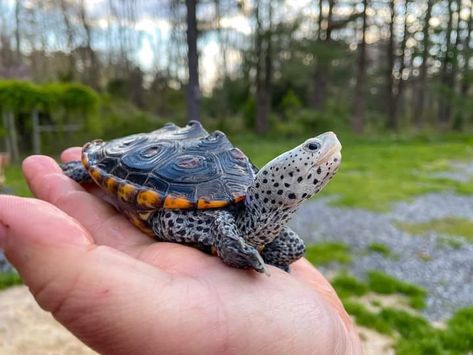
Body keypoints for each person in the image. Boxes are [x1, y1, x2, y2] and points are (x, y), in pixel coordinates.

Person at [0, 150, 362, 355]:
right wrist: (230, 242)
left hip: (218, 212)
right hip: (164, 183)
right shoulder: (223, 217)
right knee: (88, 177)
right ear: (277, 174)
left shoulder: (272, 228)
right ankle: (94, 166)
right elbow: (177, 222)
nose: (321, 150)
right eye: (311, 151)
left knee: (290, 245)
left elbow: (287, 247)